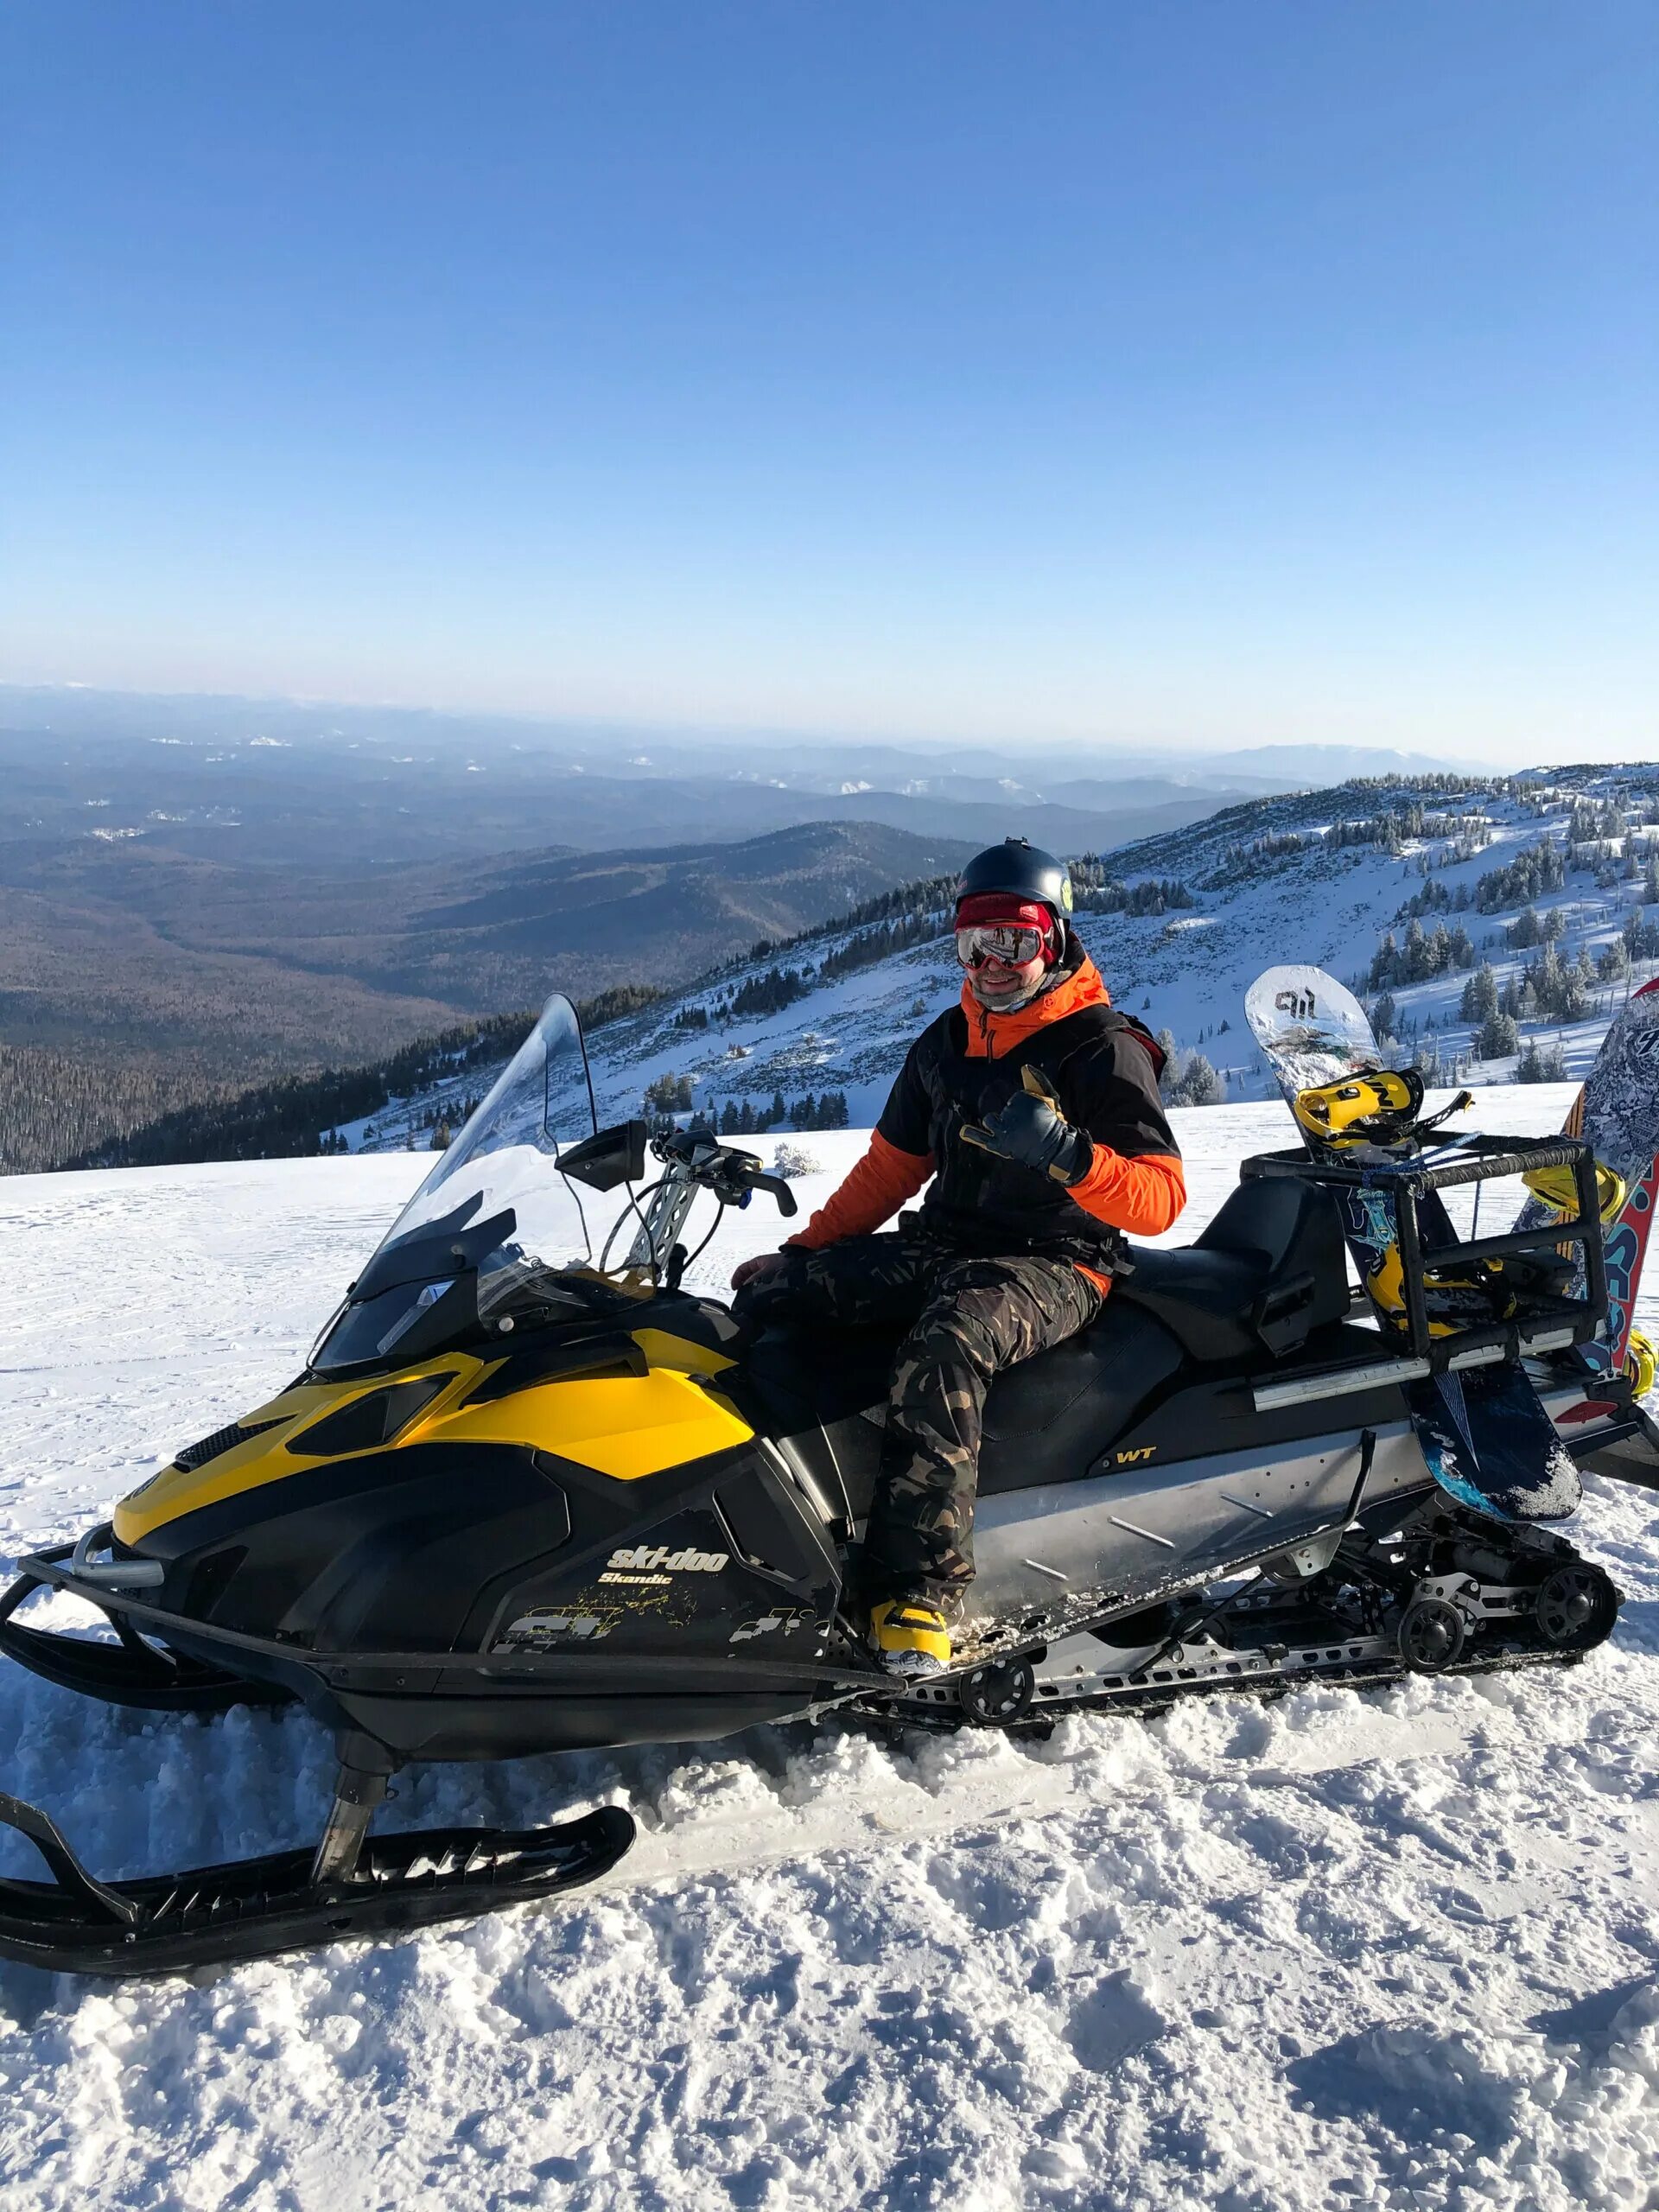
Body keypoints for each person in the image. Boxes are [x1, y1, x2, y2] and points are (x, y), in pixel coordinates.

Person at [731, 837, 1186, 1678]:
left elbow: (1161, 1200)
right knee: (775, 1300)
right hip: (948, 1241)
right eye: (976, 943)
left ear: (1052, 939)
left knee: (948, 1343)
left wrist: (1071, 1157)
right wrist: (800, 1252)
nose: (995, 962)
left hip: (1057, 1259)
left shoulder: (1101, 1047)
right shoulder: (949, 1043)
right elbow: (889, 1170)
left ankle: (918, 1590)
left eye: (1015, 941)